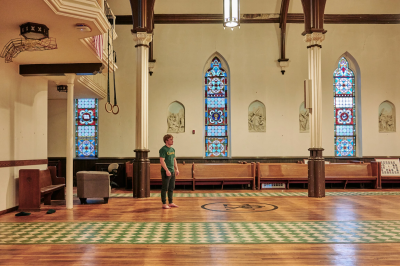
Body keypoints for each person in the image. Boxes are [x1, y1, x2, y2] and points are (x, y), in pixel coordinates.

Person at [159, 134, 180, 209]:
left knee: (171, 187)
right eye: (171, 139)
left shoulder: (172, 149)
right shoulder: (163, 149)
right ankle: (164, 203)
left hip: (172, 171)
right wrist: (167, 170)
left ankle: (170, 202)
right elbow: (162, 161)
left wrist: (176, 169)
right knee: (165, 188)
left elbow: (174, 160)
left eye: (172, 139)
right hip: (166, 172)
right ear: (166, 140)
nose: (172, 140)